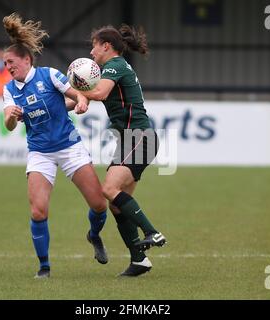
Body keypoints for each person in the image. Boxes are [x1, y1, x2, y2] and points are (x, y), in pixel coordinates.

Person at [1, 13, 108, 278]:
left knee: (99, 205)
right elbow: (8, 125)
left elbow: (76, 95)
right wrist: (11, 117)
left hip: (70, 147)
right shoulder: (9, 90)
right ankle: (44, 267)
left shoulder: (49, 76)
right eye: (5, 64)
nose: (8, 67)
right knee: (38, 210)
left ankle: (94, 235)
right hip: (39, 152)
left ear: (26, 59)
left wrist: (82, 102)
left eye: (11, 62)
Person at [80, 25, 167, 277]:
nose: (91, 50)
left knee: (108, 189)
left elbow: (99, 92)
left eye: (94, 45)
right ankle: (139, 261)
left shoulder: (115, 66)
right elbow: (82, 97)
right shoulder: (112, 69)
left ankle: (152, 232)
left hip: (137, 138)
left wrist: (79, 90)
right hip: (132, 140)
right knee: (116, 205)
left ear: (106, 46)